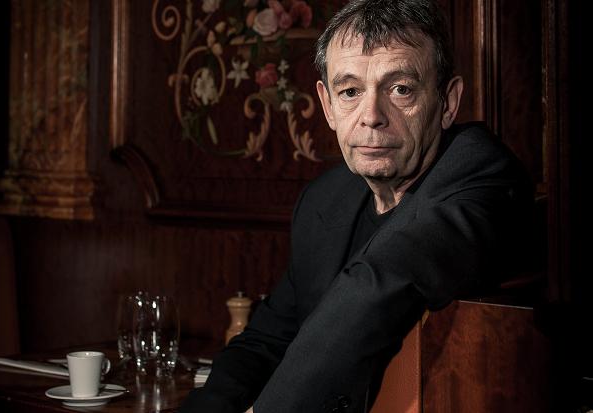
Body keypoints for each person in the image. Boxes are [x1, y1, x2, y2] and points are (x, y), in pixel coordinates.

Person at [180, 0, 534, 412]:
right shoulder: (324, 199)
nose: (371, 116)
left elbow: (380, 279)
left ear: (448, 102)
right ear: (328, 105)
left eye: (401, 89)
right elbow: (265, 342)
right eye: (350, 92)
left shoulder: (482, 173)